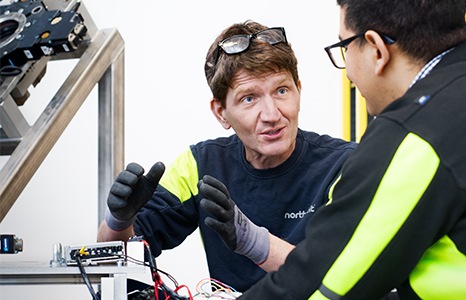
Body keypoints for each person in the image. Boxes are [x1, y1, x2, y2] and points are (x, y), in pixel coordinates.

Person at [237, 0, 466, 299]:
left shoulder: (413, 134)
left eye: (345, 47)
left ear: (376, 49)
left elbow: (318, 285)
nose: (347, 71)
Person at [97, 20, 356, 292]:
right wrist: (118, 222)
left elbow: (342, 274)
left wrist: (252, 241)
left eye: (281, 91)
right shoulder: (199, 165)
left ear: (299, 91)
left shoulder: (346, 164)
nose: (271, 115)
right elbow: (112, 260)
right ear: (221, 113)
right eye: (249, 98)